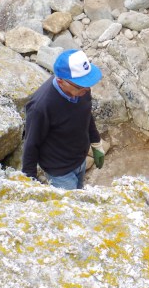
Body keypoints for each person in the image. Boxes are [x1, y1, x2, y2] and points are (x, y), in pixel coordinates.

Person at [22, 49, 106, 190]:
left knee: (80, 193)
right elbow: (31, 144)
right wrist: (29, 179)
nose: (87, 90)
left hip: (80, 159)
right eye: (81, 86)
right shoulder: (40, 106)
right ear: (61, 81)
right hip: (60, 172)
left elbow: (86, 114)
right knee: (72, 205)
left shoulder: (82, 90)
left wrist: (96, 143)